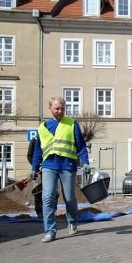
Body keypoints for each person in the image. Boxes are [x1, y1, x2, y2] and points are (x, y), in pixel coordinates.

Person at [31, 96, 91, 242]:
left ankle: (72, 222)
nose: (60, 111)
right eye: (57, 108)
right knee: (47, 197)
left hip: (67, 166)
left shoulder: (72, 124)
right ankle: (50, 231)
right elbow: (38, 150)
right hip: (49, 166)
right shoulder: (43, 127)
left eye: (62, 108)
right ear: (50, 108)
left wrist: (85, 161)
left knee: (69, 197)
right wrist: (34, 167)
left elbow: (81, 145)